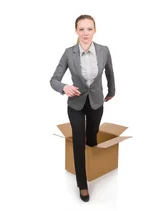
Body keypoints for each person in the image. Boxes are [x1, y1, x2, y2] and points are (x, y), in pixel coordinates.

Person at [49, 14, 116, 202]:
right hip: (76, 105)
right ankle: (82, 184)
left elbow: (110, 72)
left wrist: (112, 91)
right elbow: (53, 79)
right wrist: (64, 87)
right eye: (81, 29)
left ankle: (94, 166)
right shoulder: (68, 52)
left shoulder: (104, 50)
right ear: (76, 31)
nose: (85, 33)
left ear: (94, 30)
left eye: (89, 29)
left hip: (96, 103)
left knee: (92, 138)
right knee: (79, 142)